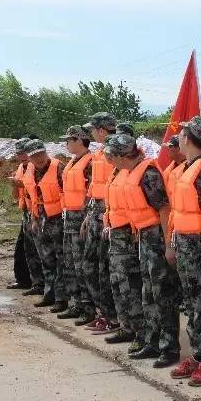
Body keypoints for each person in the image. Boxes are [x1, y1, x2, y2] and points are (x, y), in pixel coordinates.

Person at [112, 133, 183, 368]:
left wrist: (168, 244)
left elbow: (163, 210)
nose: (112, 160)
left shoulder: (149, 174)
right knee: (148, 292)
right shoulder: (130, 172)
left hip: (156, 237)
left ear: (124, 155)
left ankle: (169, 347)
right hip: (143, 236)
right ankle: (152, 341)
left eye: (114, 155)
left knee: (162, 293)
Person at [165, 116, 201, 387]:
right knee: (191, 303)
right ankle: (196, 353)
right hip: (184, 243)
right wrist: (172, 242)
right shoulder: (185, 168)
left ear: (188, 139)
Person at [84, 113, 123, 339]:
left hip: (109, 218)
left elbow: (118, 189)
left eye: (93, 129)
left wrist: (108, 218)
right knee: (96, 267)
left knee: (106, 270)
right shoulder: (99, 152)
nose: (91, 133)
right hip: (97, 213)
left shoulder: (115, 152)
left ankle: (114, 317)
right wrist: (91, 214)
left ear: (100, 130)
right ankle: (106, 313)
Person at [102, 143, 144, 349]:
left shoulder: (132, 173)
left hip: (127, 234)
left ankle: (138, 331)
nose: (108, 159)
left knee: (129, 285)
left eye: (111, 155)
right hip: (115, 233)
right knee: (117, 283)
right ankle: (126, 325)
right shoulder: (116, 172)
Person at [21, 139, 66, 312]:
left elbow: (67, 194)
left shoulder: (58, 167)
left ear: (46, 152)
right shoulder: (29, 170)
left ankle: (61, 299)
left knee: (61, 260)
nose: (39, 158)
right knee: (46, 259)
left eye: (41, 154)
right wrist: (33, 218)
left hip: (58, 219)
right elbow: (31, 197)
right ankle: (49, 294)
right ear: (29, 157)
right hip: (40, 219)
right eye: (34, 155)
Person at [60, 126, 96, 327]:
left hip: (81, 219)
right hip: (69, 218)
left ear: (80, 140)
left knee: (83, 266)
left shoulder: (90, 163)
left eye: (69, 139)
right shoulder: (72, 162)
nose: (66, 143)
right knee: (70, 264)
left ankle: (88, 307)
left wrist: (87, 216)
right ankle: (75, 304)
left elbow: (91, 194)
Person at [6, 138, 39, 292]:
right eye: (19, 153)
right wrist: (15, 184)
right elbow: (16, 194)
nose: (22, 156)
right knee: (24, 248)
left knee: (38, 249)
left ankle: (38, 283)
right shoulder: (21, 168)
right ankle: (25, 280)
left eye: (24, 152)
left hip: (37, 212)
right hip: (26, 211)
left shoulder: (36, 167)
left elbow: (37, 189)